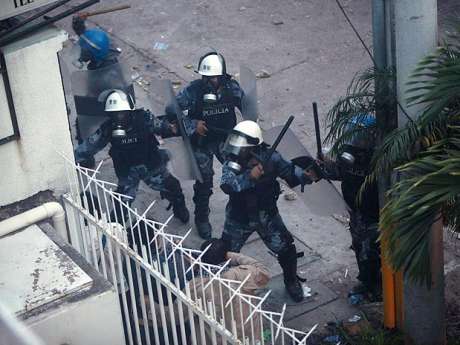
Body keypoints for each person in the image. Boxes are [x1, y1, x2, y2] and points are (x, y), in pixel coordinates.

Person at [219, 120, 318, 302]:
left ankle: (291, 282)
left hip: (267, 216)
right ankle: (223, 287)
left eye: (243, 146)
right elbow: (227, 185)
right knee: (224, 253)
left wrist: (305, 176)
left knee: (286, 249)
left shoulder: (272, 158)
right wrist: (250, 176)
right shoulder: (232, 161)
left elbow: (290, 172)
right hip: (238, 218)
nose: (237, 148)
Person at [74, 89, 189, 223]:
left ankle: (179, 209)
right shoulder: (108, 128)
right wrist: (74, 158)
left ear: (129, 111)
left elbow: (162, 127)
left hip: (150, 166)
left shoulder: (144, 118)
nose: (118, 118)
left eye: (121, 114)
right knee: (120, 207)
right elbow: (89, 146)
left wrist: (173, 127)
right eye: (114, 114)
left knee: (174, 186)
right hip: (127, 172)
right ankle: (116, 232)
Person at [168, 52, 244, 239]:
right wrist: (193, 125)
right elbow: (171, 110)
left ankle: (241, 214)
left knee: (238, 175)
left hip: (225, 138)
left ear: (222, 76)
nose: (210, 81)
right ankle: (201, 217)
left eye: (214, 78)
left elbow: (247, 108)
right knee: (204, 180)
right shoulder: (194, 91)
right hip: (202, 141)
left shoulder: (232, 88)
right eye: (206, 77)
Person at [319, 114, 381, 300]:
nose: (356, 141)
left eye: (359, 136)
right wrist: (324, 165)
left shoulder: (378, 160)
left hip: (375, 215)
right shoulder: (347, 153)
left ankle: (378, 287)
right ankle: (367, 282)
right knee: (359, 248)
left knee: (372, 252)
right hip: (356, 213)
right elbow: (339, 172)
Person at [192, 238, 270, 344]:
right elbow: (264, 272)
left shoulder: (196, 286)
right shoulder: (242, 274)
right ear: (226, 256)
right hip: (249, 335)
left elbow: (174, 315)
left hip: (218, 339)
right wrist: (232, 256)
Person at [72, 17, 122, 168]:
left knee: (90, 130)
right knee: (82, 124)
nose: (82, 55)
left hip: (110, 108)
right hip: (103, 98)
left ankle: (82, 158)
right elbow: (91, 43)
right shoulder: (106, 48)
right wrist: (80, 29)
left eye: (85, 54)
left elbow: (97, 101)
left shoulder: (105, 77)